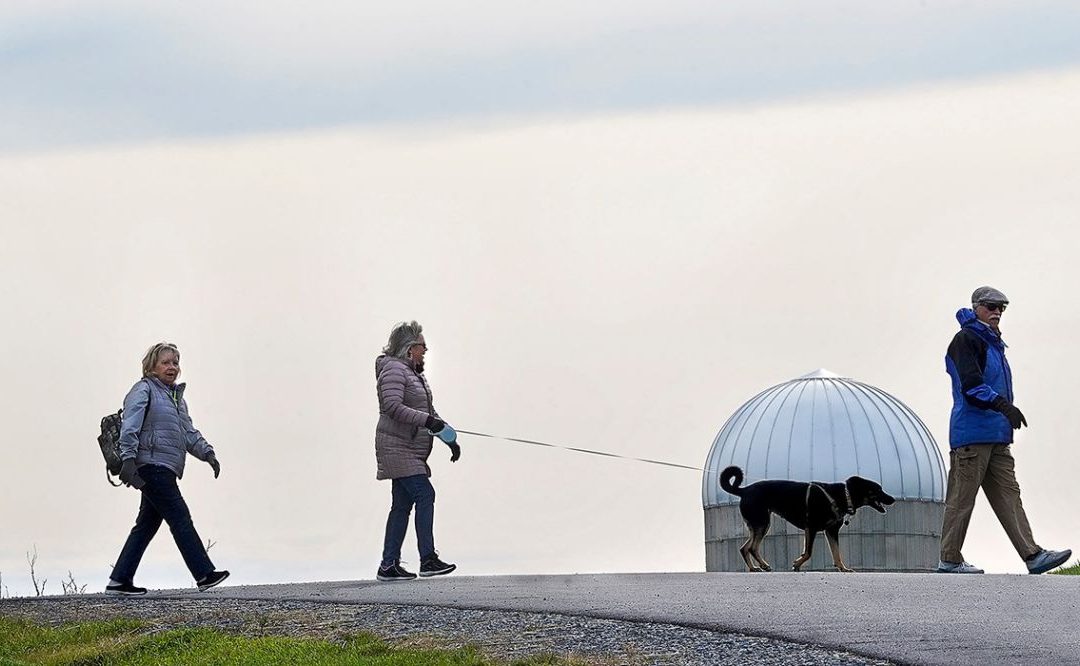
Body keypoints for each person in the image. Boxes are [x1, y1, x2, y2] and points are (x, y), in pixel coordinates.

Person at [938, 287, 1072, 574]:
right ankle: (949, 559)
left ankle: (1032, 555)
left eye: (1001, 307)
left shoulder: (994, 342)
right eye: (990, 306)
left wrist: (1004, 415)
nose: (997, 311)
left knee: (1010, 496)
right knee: (962, 499)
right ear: (976, 308)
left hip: (997, 436)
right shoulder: (967, 340)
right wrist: (1003, 406)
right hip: (971, 435)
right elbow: (972, 387)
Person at [106, 342, 230, 595]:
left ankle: (119, 580)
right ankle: (204, 573)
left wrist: (207, 453)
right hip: (150, 465)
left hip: (166, 466)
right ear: (152, 366)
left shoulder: (176, 399)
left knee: (146, 525)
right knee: (180, 517)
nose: (172, 367)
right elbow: (130, 427)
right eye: (166, 362)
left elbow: (187, 432)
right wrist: (129, 460)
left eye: (175, 362)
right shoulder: (143, 390)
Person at [375, 321, 461, 581]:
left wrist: (449, 438)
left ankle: (388, 566)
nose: (426, 350)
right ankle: (428, 559)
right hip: (397, 447)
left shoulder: (414, 374)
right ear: (410, 348)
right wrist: (427, 422)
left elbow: (429, 414)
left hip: (412, 449)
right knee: (425, 493)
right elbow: (391, 406)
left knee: (401, 505)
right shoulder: (393, 370)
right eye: (423, 346)